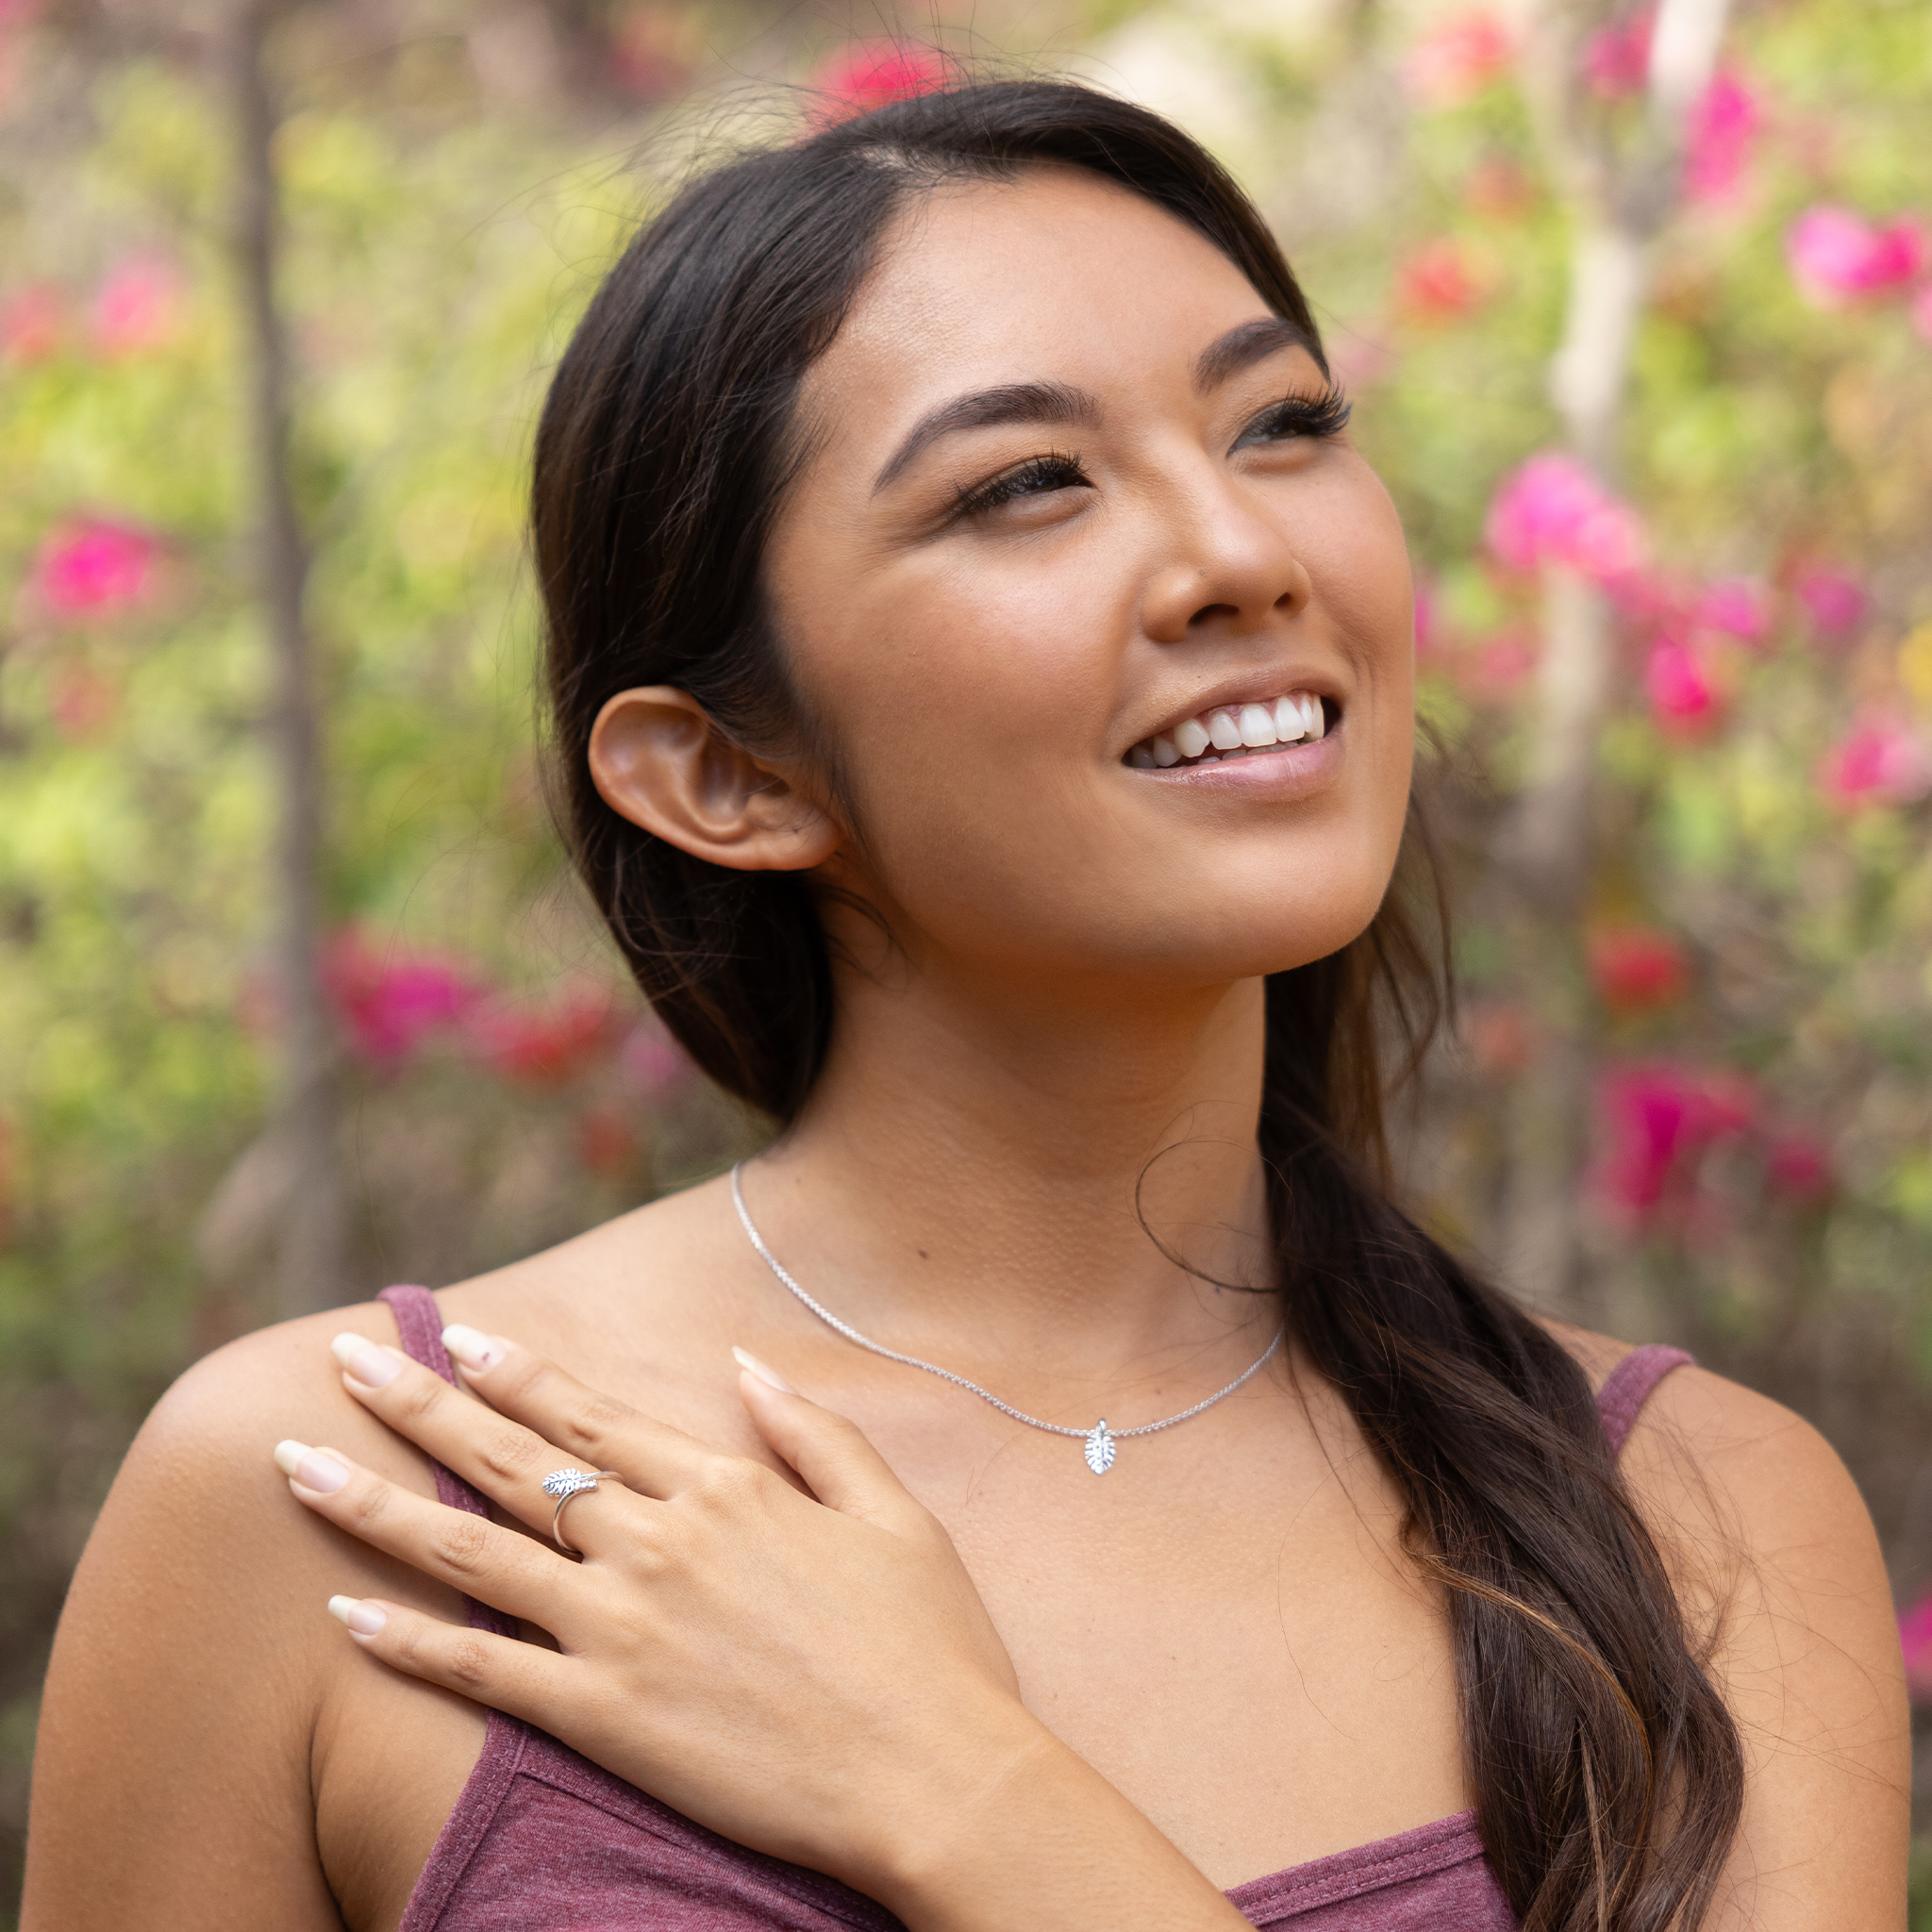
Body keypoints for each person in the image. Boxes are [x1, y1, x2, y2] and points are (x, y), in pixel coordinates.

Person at [23, 77, 1907, 1932]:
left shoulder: (1695, 1518)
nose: (1243, 553)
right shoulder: (333, 1506)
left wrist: (953, 1789)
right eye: (1027, 485)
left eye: (1280, 424)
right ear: (723, 777)